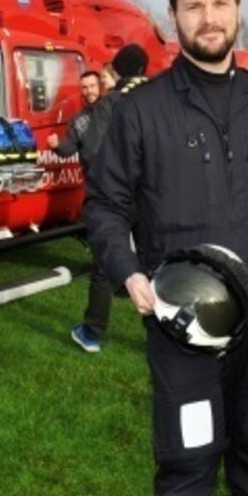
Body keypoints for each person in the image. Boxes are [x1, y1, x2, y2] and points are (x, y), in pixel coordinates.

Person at [86, 0, 248, 496]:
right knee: (188, 467)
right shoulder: (140, 111)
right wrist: (128, 273)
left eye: (219, 3)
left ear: (237, 8)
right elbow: (105, 206)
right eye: (194, 7)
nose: (208, 17)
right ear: (173, 16)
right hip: (183, 321)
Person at [50, 48, 150, 353]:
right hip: (150, 195)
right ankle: (163, 334)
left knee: (105, 264)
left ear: (115, 72)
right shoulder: (158, 98)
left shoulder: (111, 103)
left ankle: (92, 332)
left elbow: (93, 151)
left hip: (115, 196)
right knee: (156, 263)